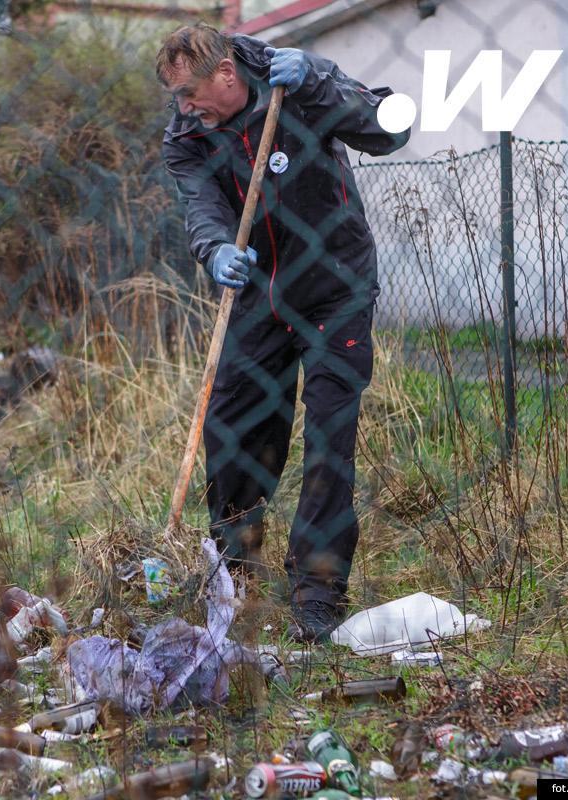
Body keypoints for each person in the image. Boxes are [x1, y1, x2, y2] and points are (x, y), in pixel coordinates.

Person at [156, 24, 409, 642]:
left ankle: (317, 592)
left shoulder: (293, 83)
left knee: (328, 438)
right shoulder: (187, 135)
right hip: (256, 299)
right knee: (233, 429)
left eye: (190, 92)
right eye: (175, 96)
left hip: (335, 292)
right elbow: (203, 208)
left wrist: (321, 80)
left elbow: (389, 128)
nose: (182, 106)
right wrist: (214, 249)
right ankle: (232, 575)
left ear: (226, 74)